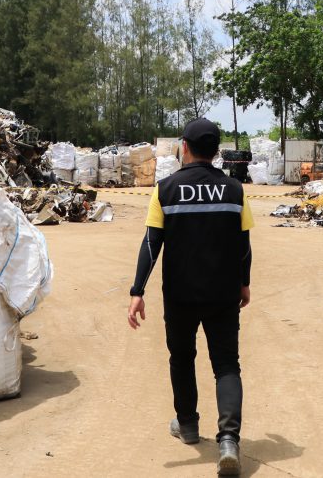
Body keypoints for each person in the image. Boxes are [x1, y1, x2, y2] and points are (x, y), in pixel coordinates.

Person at [127, 117, 253, 476]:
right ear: (217, 151)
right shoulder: (234, 191)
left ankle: (188, 426)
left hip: (180, 295)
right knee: (226, 364)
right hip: (223, 293)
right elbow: (243, 246)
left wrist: (137, 291)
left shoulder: (165, 189)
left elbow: (152, 244)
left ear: (184, 146)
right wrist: (244, 282)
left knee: (181, 358)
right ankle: (228, 441)